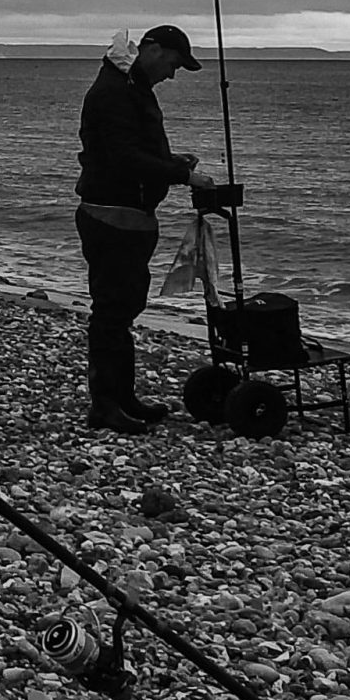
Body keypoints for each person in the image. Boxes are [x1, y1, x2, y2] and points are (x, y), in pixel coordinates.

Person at [74, 23, 214, 433]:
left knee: (123, 307)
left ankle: (122, 396)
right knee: (112, 312)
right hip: (111, 217)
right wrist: (181, 176)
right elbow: (122, 156)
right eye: (172, 64)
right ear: (152, 50)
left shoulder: (128, 86)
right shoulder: (113, 92)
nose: (171, 74)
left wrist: (172, 161)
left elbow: (135, 147)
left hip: (128, 215)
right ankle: (105, 405)